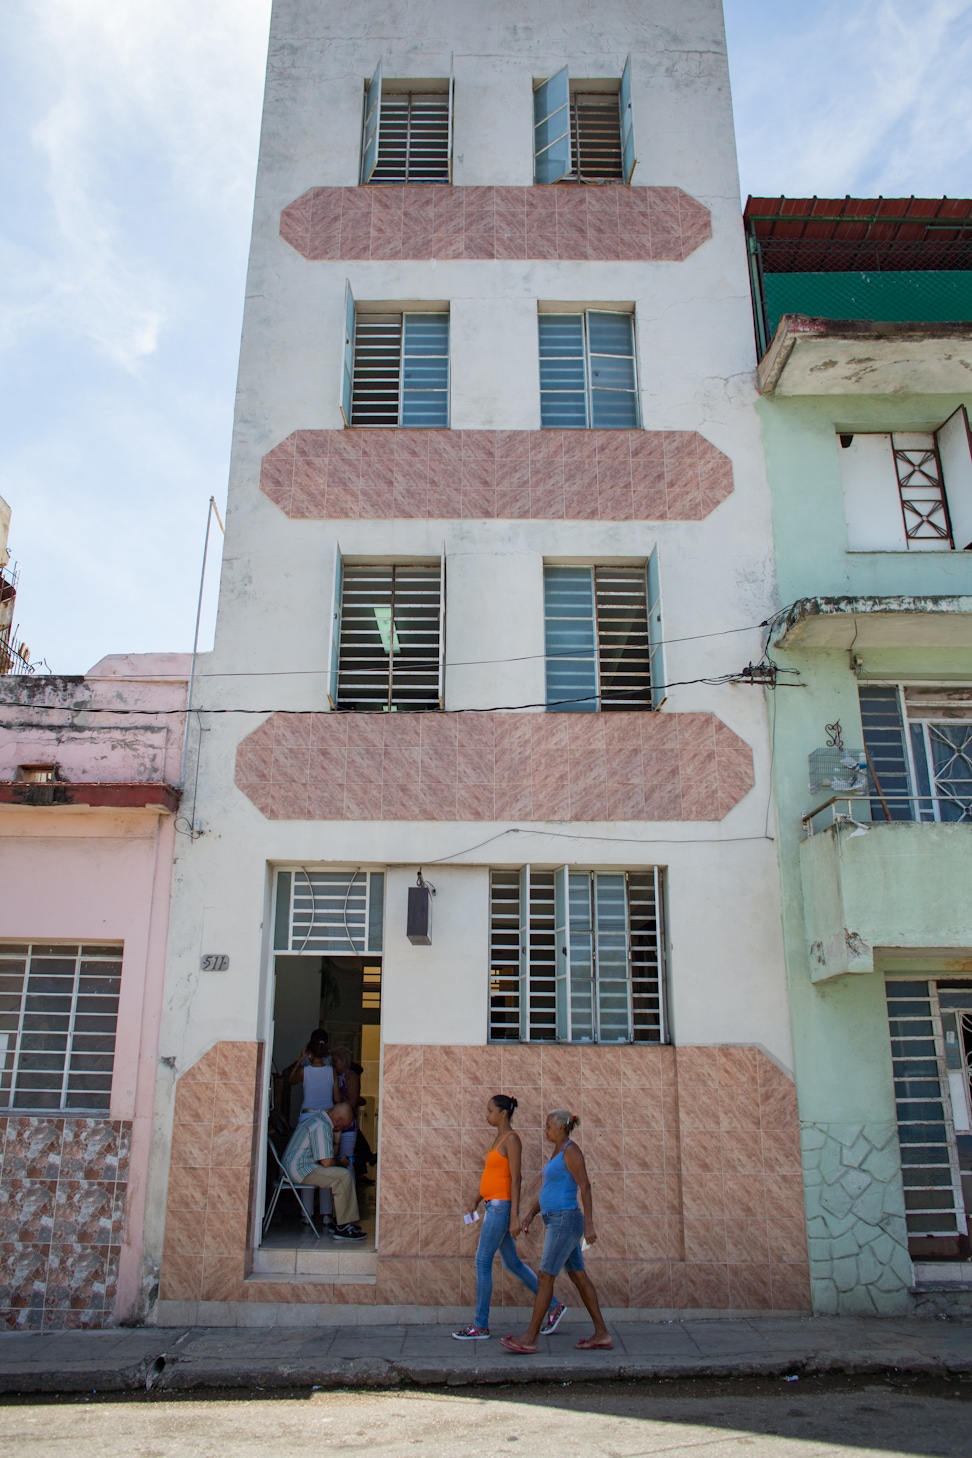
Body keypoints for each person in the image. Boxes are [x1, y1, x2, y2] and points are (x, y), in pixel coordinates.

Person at [452, 1095, 567, 1341]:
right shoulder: (498, 1139)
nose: (487, 1115)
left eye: (490, 1110)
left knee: (482, 1261)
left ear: (503, 1113)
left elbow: (516, 1179)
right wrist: (476, 1198)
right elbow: (494, 1176)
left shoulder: (512, 1140)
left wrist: (514, 1216)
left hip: (501, 1209)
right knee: (512, 1262)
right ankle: (554, 1305)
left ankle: (480, 1325)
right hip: (493, 1205)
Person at [500, 1110, 612, 1354]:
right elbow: (552, 1188)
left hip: (565, 1220)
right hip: (557, 1219)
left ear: (562, 1127)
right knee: (578, 1276)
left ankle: (530, 1338)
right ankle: (601, 1333)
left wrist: (590, 1225)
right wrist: (531, 1214)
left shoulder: (571, 1151)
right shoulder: (557, 1153)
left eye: (549, 1126)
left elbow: (585, 1186)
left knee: (545, 1276)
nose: (545, 1129)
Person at [279, 1101, 366, 1241]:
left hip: (295, 1168)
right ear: (338, 1120)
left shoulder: (318, 1120)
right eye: (343, 1126)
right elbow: (327, 1162)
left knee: (338, 1175)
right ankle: (343, 1226)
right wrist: (341, 1163)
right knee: (343, 1176)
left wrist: (336, 1141)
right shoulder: (322, 1126)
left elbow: (327, 1159)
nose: (342, 1129)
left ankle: (339, 1222)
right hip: (299, 1169)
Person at [289, 1028, 337, 1123]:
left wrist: (300, 1059)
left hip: (308, 1113)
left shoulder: (304, 1069)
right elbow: (337, 1098)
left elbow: (290, 1080)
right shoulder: (331, 1068)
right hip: (327, 1114)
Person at [330, 1045, 361, 1163]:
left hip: (347, 1124)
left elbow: (352, 1100)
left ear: (343, 1061)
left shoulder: (351, 1077)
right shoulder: (335, 1076)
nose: (333, 1064)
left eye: (335, 1061)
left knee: (346, 1159)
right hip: (335, 1122)